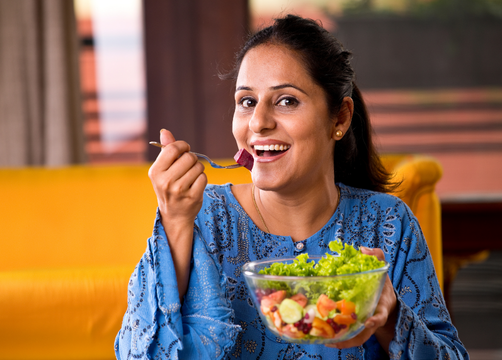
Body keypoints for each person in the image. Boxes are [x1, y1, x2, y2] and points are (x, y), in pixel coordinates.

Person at [115, 15, 468, 360]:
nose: (258, 122)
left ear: (340, 118)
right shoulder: (201, 217)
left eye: (286, 100)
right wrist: (176, 224)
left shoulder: (389, 224)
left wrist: (390, 316)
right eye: (247, 101)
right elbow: (136, 353)